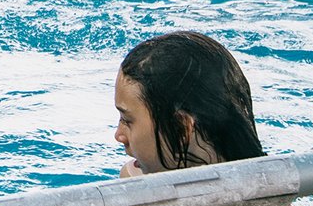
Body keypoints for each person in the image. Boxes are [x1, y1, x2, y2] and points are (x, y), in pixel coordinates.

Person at [113, 31, 269, 177]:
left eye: (127, 120)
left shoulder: (269, 202)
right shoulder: (132, 178)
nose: (118, 136)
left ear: (180, 128)